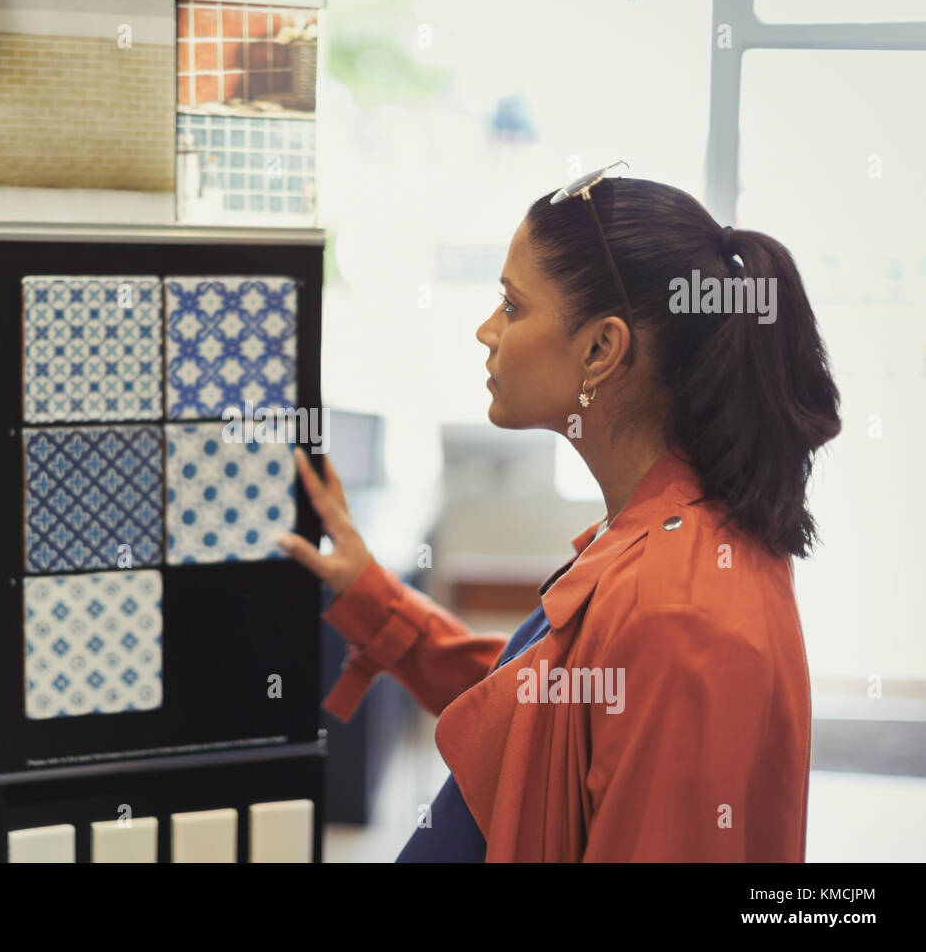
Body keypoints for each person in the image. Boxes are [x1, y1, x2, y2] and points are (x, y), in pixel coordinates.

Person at [276, 171, 842, 862]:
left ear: (602, 350)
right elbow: (545, 722)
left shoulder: (681, 612)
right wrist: (373, 593)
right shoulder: (650, 534)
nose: (486, 331)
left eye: (512, 307)